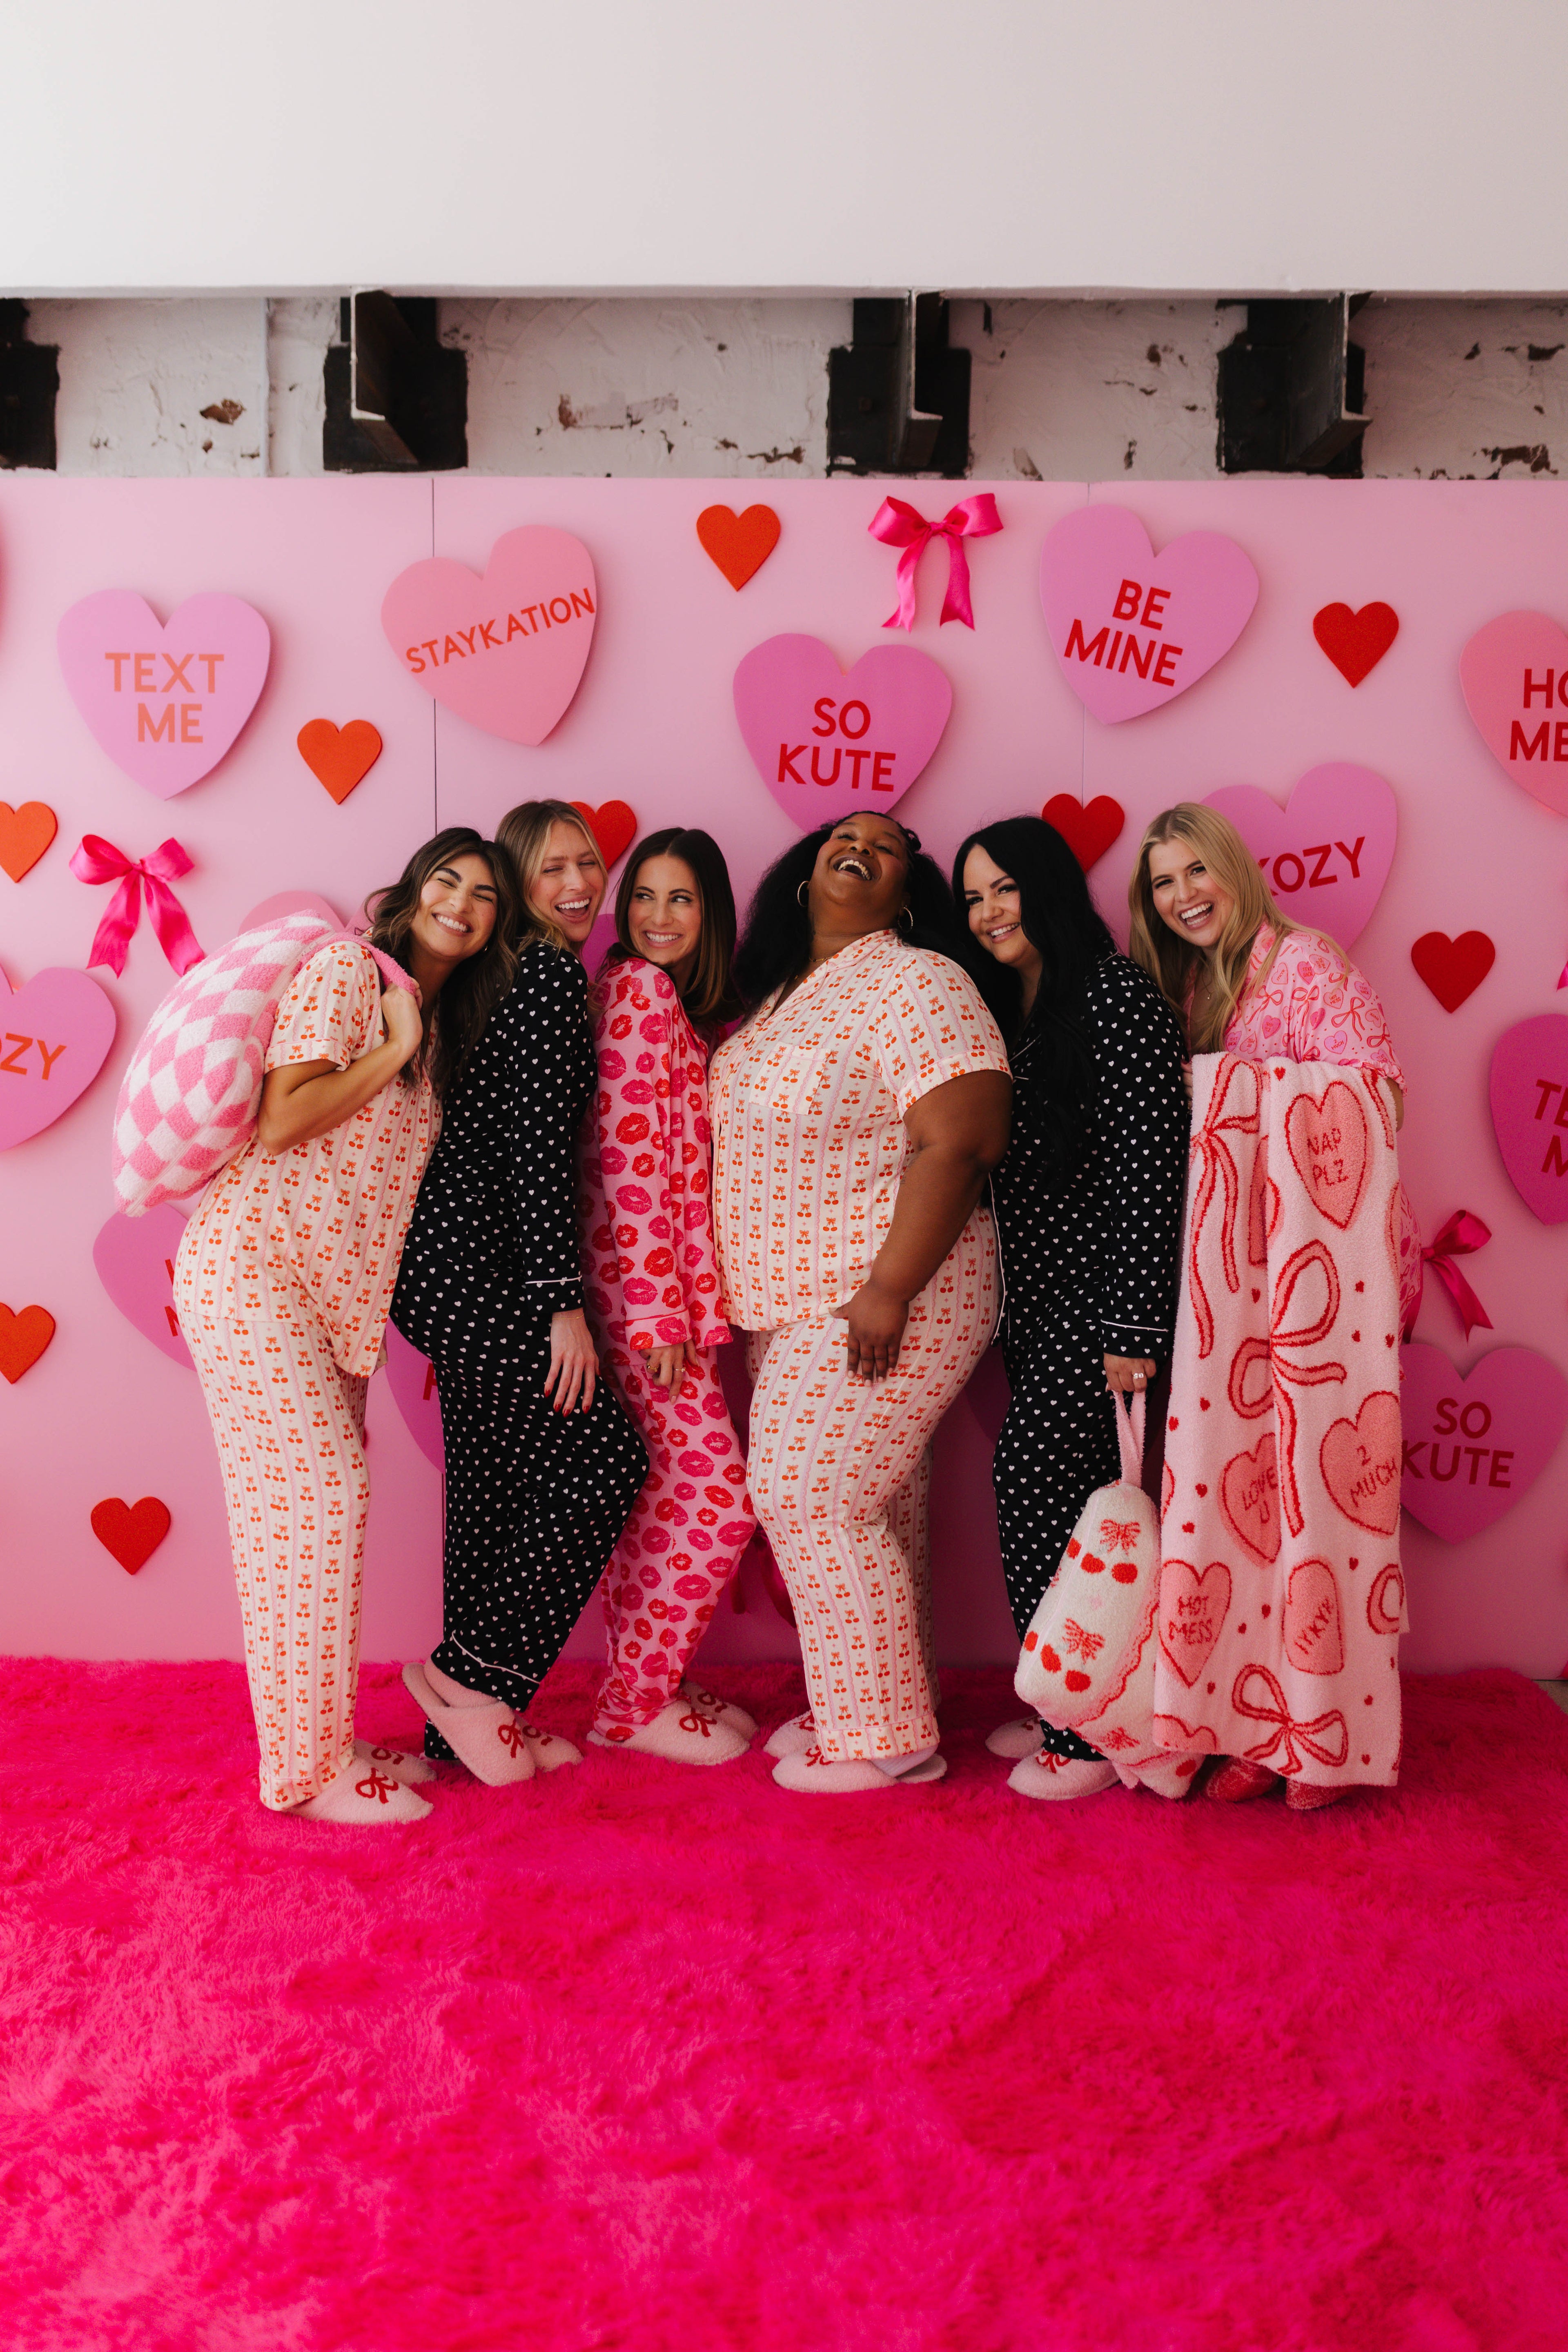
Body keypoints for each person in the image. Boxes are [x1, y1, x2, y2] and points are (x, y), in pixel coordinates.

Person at [175, 829, 516, 1823]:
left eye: (485, 894)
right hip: (251, 1275)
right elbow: (285, 1121)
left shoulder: (440, 1024)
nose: (462, 900)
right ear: (412, 893)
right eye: (447, 879)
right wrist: (400, 1047)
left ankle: (321, 1745)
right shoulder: (347, 974)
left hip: (327, 1306)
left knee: (299, 1522)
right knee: (322, 1499)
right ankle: (307, 1773)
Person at [710, 809, 1012, 1794]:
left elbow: (961, 1140)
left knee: (809, 1496)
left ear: (907, 891)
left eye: (890, 847)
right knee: (879, 1503)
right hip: (791, 1302)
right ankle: (880, 1696)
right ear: (806, 874)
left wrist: (888, 1288)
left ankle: (880, 1739)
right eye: (847, 835)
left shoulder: (920, 979)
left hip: (882, 1291)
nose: (866, 847)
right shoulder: (783, 998)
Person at [1128, 801, 1408, 1811]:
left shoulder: (1309, 964)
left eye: (1196, 872)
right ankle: (1252, 1722)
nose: (1184, 896)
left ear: (1234, 869)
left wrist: (1244, 1097)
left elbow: (1374, 1105)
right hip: (1233, 1296)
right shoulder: (1205, 986)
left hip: (1323, 1286)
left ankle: (1324, 1736)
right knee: (1232, 1504)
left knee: (1318, 1511)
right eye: (1164, 884)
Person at [392, 800, 648, 1786]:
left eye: (589, 863)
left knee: (495, 1491)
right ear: (518, 891)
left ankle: (458, 1738)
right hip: (485, 1275)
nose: (579, 884)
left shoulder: (503, 981)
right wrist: (560, 1303)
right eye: (550, 871)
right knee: (601, 1466)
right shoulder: (542, 976)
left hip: (441, 1273)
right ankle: (467, 1681)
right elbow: (532, 1157)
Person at [957, 816, 1188, 1801]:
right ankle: (1066, 1702)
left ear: (1047, 885)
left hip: (1104, 1309)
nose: (988, 912)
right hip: (1045, 1305)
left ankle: (1097, 1736)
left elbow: (1150, 1166)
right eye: (973, 897)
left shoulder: (1115, 995)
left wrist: (1133, 1326)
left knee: (1055, 1496)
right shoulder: (1032, 1004)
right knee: (1045, 1504)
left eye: (1004, 888)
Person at [580, 827, 760, 1764]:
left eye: (680, 899)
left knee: (660, 1500)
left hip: (659, 1300)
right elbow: (626, 1165)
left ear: (712, 914)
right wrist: (657, 1314)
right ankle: (631, 1707)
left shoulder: (671, 1012)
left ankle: (641, 1679)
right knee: (719, 1498)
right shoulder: (639, 995)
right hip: (638, 1301)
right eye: (642, 896)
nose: (656, 917)